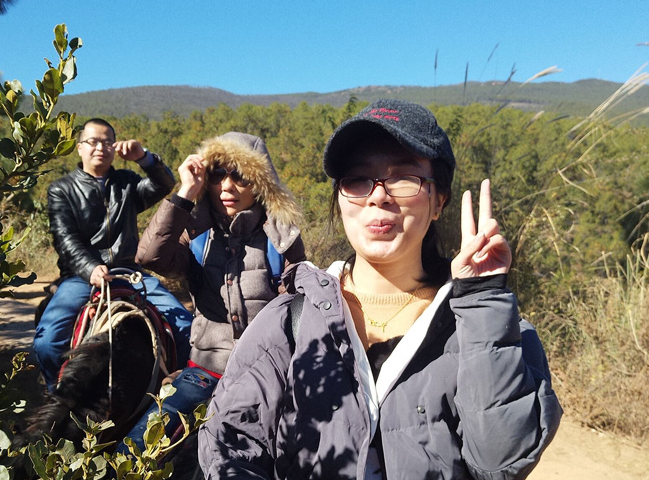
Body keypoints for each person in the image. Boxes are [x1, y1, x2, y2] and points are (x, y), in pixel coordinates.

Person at [198, 100, 563, 479]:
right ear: (340, 200)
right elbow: (231, 443)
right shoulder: (290, 319)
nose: (378, 195)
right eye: (358, 179)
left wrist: (484, 298)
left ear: (439, 201)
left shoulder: (487, 325)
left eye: (404, 178)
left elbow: (499, 461)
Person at [119, 131, 306, 453]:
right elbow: (149, 257)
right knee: (136, 453)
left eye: (242, 177)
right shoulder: (196, 235)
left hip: (267, 376)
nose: (228, 187)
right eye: (218, 175)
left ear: (260, 184)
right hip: (205, 370)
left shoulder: (281, 240)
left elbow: (299, 312)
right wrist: (186, 192)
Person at [33, 118, 192, 392]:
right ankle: (55, 393)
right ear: (80, 148)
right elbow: (65, 239)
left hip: (130, 275)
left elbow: (164, 184)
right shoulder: (62, 189)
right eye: (93, 141)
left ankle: (179, 391)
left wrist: (143, 158)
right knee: (47, 343)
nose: (101, 148)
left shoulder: (127, 183)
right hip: (81, 278)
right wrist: (90, 268)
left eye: (108, 142)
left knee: (186, 327)